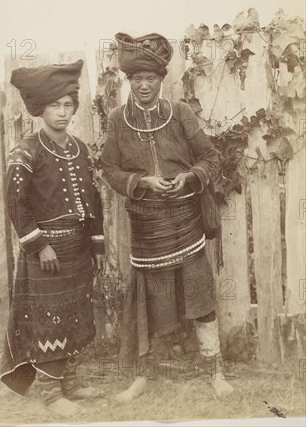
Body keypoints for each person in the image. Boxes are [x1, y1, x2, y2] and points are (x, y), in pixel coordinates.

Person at [100, 33, 233, 402]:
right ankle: (144, 375)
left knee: (200, 297)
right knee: (150, 304)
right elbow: (109, 169)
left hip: (187, 224)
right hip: (147, 228)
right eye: (137, 79)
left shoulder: (181, 114)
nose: (143, 86)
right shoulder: (118, 120)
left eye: (151, 79)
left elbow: (210, 158)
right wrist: (141, 182)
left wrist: (189, 178)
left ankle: (215, 369)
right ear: (129, 82)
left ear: (162, 80)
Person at [0, 59, 105, 417]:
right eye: (54, 106)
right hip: (46, 250)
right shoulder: (26, 151)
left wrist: (96, 244)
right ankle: (48, 390)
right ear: (40, 109)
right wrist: (39, 245)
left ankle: (70, 382)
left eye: (67, 105)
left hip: (77, 247)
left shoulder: (81, 149)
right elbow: (16, 202)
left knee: (76, 311)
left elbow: (94, 198)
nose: (62, 113)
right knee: (49, 317)